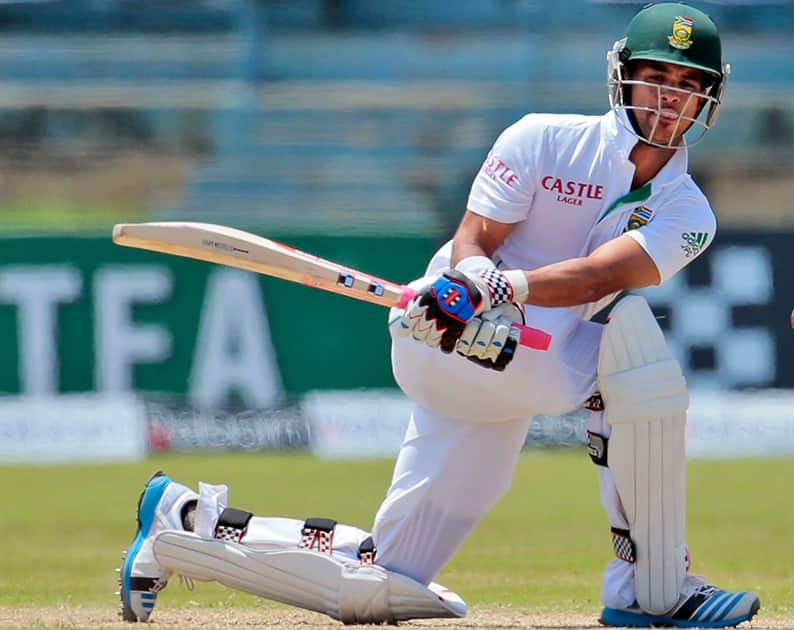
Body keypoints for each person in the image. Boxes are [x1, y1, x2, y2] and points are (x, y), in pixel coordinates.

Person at [118, 4, 760, 627]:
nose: (669, 96)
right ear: (623, 75)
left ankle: (183, 522)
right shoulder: (541, 138)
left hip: (526, 368)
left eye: (688, 83)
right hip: (444, 332)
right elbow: (476, 236)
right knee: (638, 365)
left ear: (709, 97)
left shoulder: (688, 212)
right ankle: (652, 587)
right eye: (656, 76)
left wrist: (501, 290)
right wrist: (471, 282)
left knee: (384, 580)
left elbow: (602, 275)